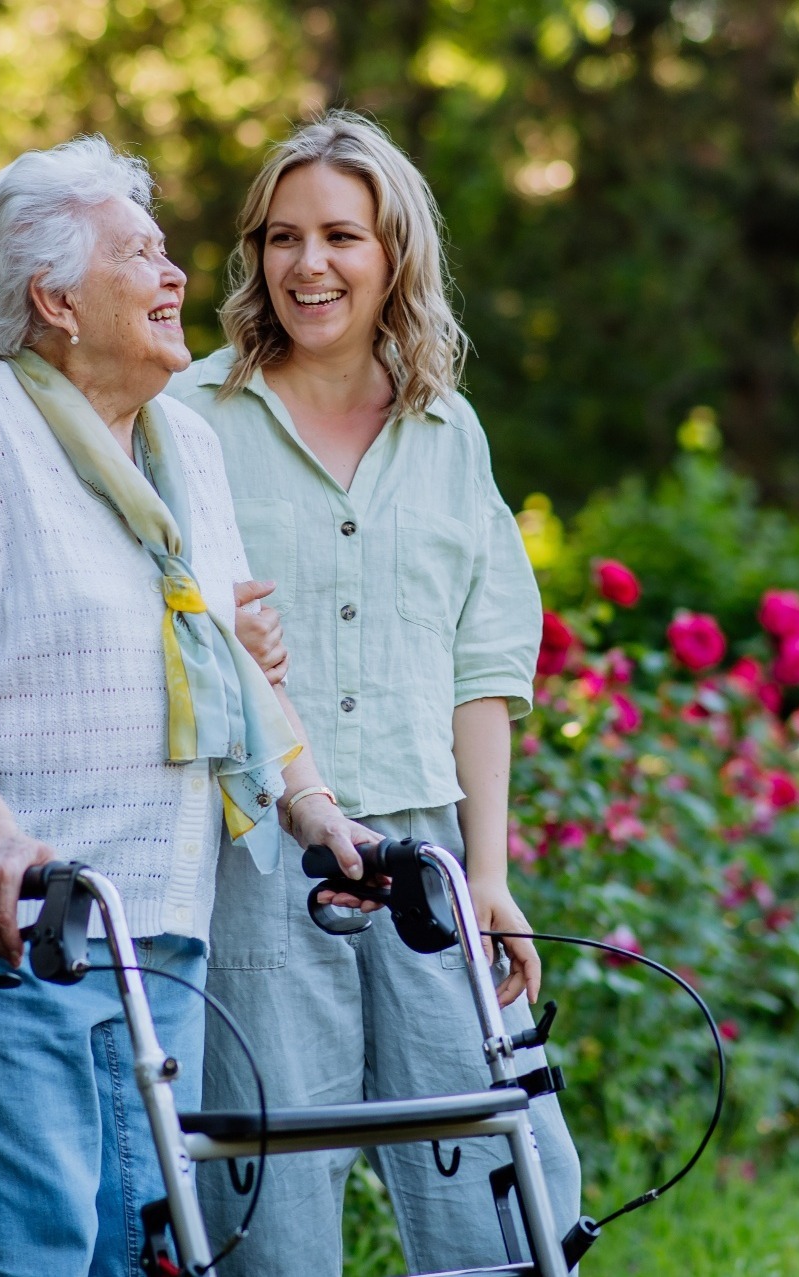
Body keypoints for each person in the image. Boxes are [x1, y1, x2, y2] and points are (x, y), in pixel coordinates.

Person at [0, 135, 372, 1277]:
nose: (177, 274)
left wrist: (315, 806)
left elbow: (231, 661)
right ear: (54, 299)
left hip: (155, 923)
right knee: (35, 1251)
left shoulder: (182, 438)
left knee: (148, 1254)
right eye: (140, 253)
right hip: (6, 925)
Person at [168, 111, 583, 1276]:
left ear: (395, 252)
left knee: (498, 1179)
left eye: (342, 235)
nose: (310, 265)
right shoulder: (189, 420)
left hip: (425, 856)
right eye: (283, 237)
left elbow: (485, 668)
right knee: (268, 1182)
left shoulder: (449, 433)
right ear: (253, 254)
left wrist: (487, 873)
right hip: (256, 855)